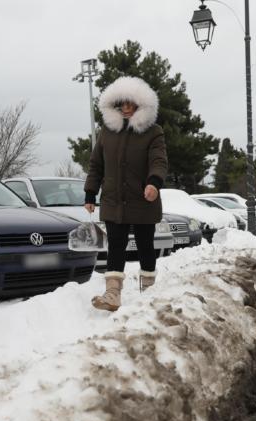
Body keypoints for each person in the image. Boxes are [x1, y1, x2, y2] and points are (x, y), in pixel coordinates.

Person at [84, 76, 168, 311]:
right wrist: (90, 193)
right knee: (116, 245)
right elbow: (96, 165)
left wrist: (154, 183)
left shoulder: (153, 132)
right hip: (113, 200)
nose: (126, 108)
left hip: (143, 200)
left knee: (145, 245)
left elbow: (159, 161)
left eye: (131, 104)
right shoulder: (107, 133)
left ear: (141, 104)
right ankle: (112, 294)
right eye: (122, 104)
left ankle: (149, 289)